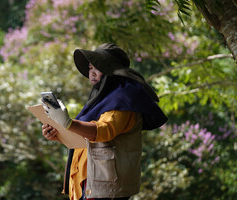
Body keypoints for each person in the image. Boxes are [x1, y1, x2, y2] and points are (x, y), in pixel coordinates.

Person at [41, 43, 168, 200]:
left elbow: (103, 131)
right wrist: (58, 133)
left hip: (106, 187)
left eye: (96, 68)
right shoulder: (104, 99)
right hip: (90, 184)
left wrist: (68, 123)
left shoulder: (124, 99)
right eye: (90, 68)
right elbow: (85, 138)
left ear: (110, 70)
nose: (91, 74)